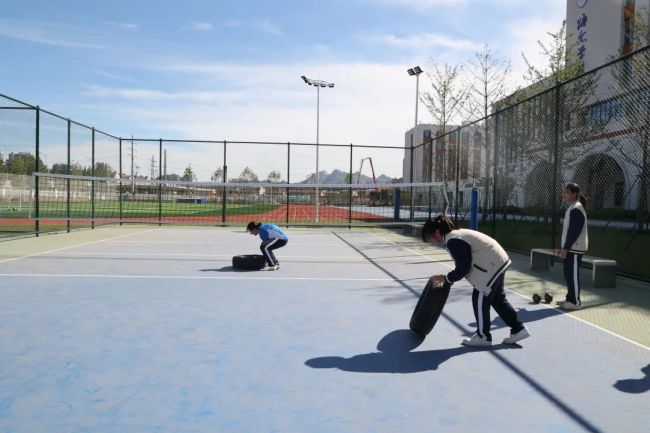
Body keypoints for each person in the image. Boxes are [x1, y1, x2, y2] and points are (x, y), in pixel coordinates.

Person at [422, 215, 530, 346]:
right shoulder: (454, 236)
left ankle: (483, 337)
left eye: (430, 238)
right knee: (497, 299)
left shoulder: (453, 240)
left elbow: (463, 268)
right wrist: (448, 279)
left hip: (492, 265)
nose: (431, 241)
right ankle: (518, 329)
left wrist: (446, 279)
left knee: (479, 297)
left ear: (437, 232)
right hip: (498, 261)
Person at [555, 183, 589, 310]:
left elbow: (574, 231)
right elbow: (569, 231)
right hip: (571, 247)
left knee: (573, 274)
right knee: (568, 274)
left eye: (567, 192)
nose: (564, 194)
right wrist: (563, 247)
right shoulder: (572, 207)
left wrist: (566, 248)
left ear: (574, 194)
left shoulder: (577, 208)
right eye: (564, 192)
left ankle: (575, 302)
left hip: (575, 248)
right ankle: (570, 299)